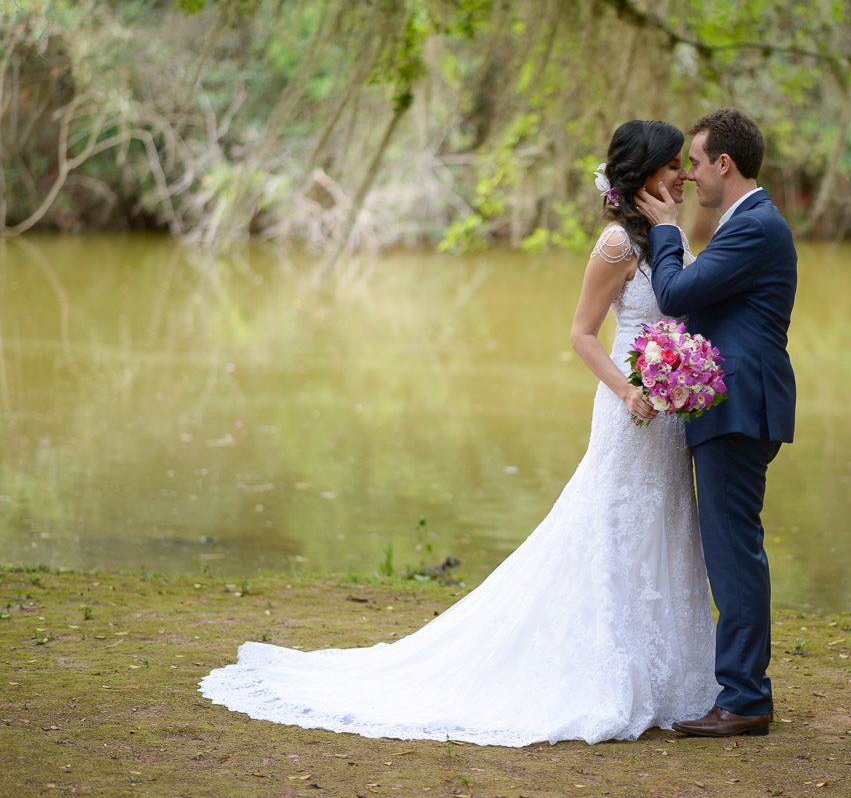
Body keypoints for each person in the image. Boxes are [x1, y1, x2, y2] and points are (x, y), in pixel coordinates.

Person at [198, 119, 720, 746]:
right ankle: (612, 675)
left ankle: (669, 681)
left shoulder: (671, 237)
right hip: (629, 405)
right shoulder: (616, 245)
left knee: (666, 526)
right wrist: (629, 388)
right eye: (673, 167)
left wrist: (687, 373)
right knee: (616, 528)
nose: (682, 178)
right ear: (644, 176)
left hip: (670, 416)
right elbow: (582, 333)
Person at [635, 108, 797, 738]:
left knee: (734, 554)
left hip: (738, 410)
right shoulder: (745, 223)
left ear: (723, 164)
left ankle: (746, 699)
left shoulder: (753, 227)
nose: (691, 177)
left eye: (696, 164)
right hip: (733, 408)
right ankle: (741, 690)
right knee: (733, 549)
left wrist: (668, 231)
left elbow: (677, 294)